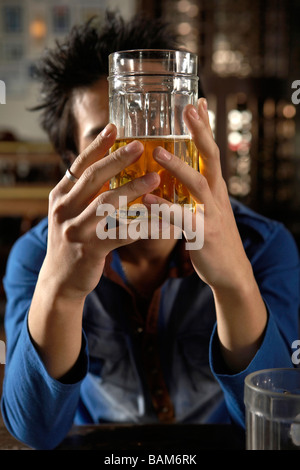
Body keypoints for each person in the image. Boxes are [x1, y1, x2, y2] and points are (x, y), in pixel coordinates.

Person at [1, 12, 299, 450]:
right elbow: (35, 432)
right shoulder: (37, 255)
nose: (145, 155)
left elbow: (280, 425)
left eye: (162, 124)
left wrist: (235, 283)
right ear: (72, 162)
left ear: (197, 130)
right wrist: (59, 292)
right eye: (109, 137)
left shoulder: (264, 245)